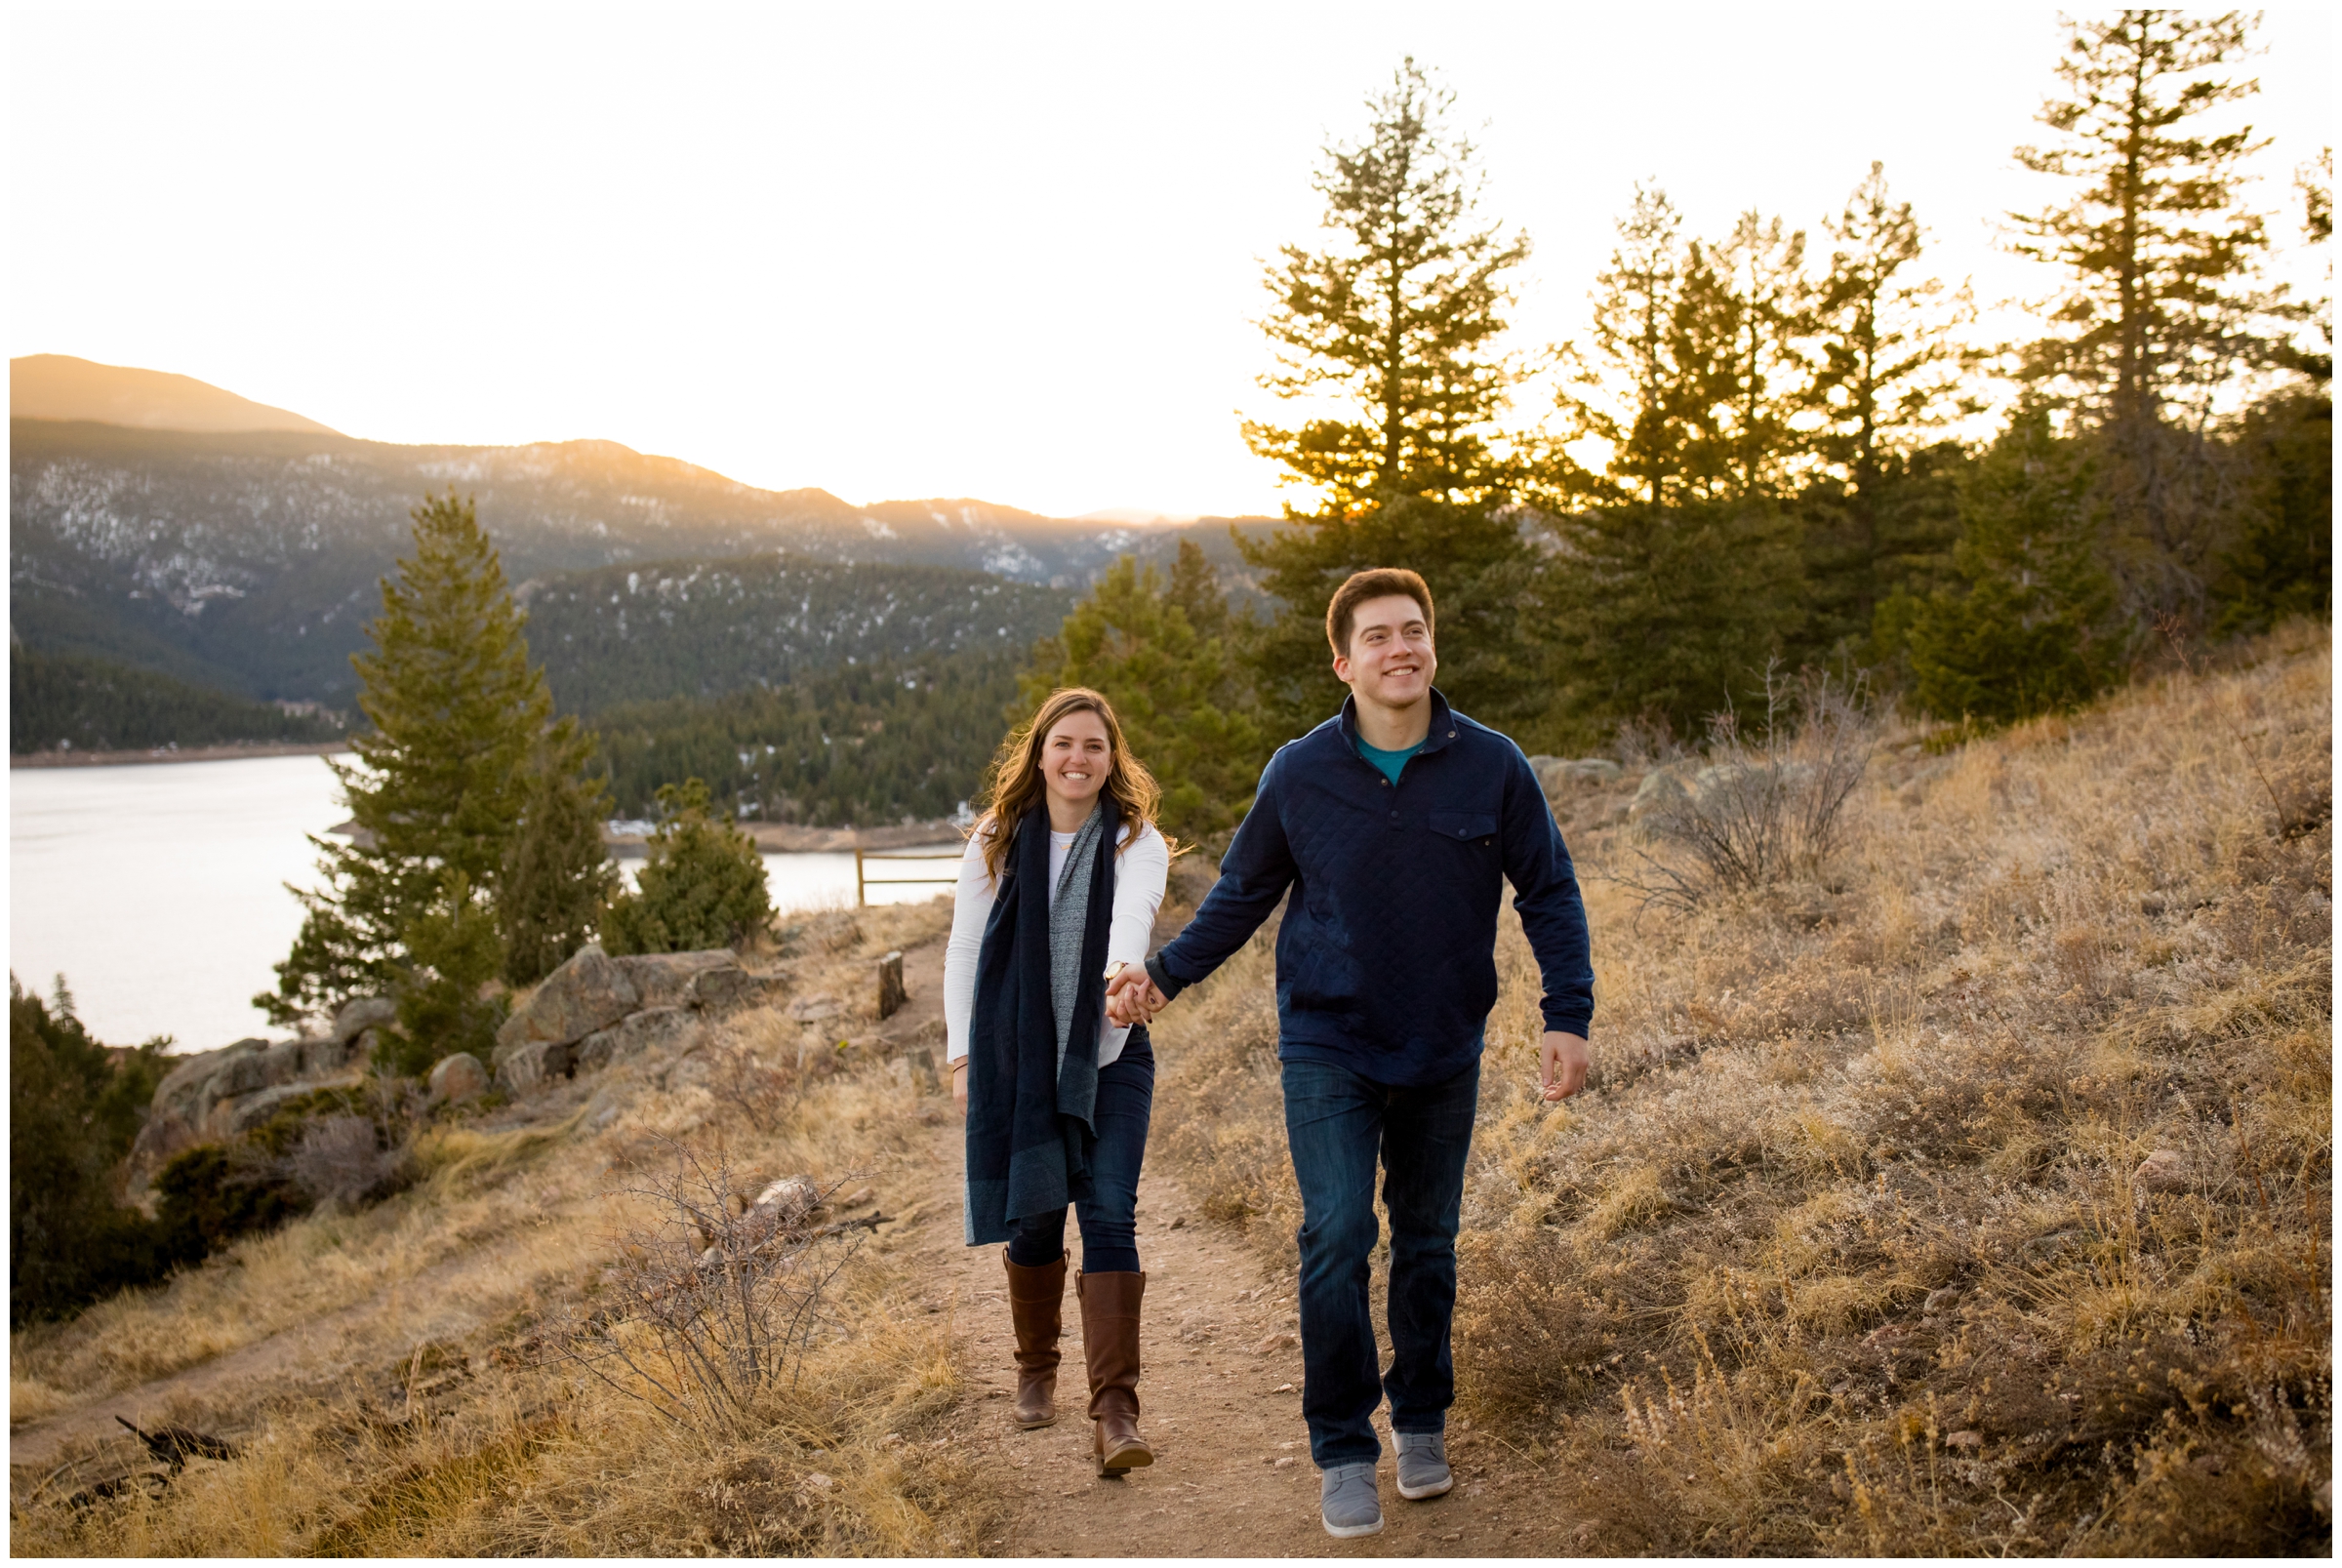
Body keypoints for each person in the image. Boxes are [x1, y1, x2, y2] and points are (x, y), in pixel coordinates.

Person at [1107, 567, 1593, 1539]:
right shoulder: (1300, 771)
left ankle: (1419, 1417)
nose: (1400, 647)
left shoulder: (1494, 766)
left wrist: (1566, 1011)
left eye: (1414, 629)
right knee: (1335, 1232)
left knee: (1427, 1240)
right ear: (1345, 659)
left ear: (1432, 646)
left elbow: (1549, 888)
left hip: (1444, 1041)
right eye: (1378, 635)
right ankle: (1341, 1443)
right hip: (1328, 1038)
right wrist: (1163, 975)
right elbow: (1243, 891)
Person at [948, 686, 1173, 1477]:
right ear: (1039, 752)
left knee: (1110, 1211)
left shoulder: (1135, 840)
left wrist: (1122, 975)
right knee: (1037, 1220)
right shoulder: (998, 838)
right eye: (1064, 744)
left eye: (1095, 747)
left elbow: (1132, 918)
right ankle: (1035, 1365)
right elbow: (967, 953)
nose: (1079, 759)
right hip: (1017, 1057)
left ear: (1113, 760)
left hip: (1111, 1053)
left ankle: (1116, 1412)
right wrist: (962, 1056)